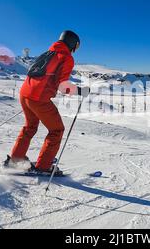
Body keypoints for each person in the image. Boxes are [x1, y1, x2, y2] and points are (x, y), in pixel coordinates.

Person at [6, 30, 90, 175]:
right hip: (38, 99)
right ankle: (44, 167)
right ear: (72, 43)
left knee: (30, 126)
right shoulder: (66, 57)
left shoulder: (47, 53)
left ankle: (16, 159)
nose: (76, 49)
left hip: (25, 94)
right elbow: (63, 86)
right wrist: (80, 91)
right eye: (77, 46)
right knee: (57, 130)